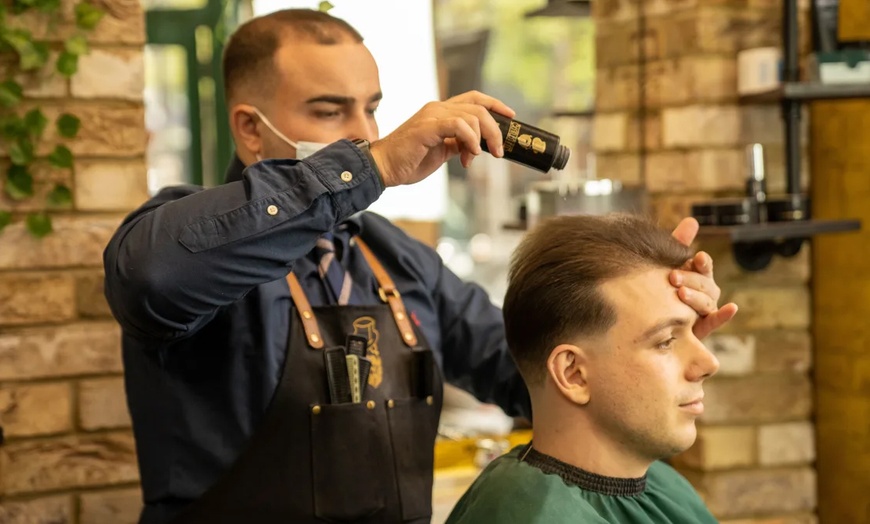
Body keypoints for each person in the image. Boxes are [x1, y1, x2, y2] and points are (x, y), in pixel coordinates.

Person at [102, 8, 737, 524]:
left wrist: (655, 326)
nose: (361, 129)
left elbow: (537, 373)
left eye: (371, 108)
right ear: (249, 128)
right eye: (330, 111)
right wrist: (371, 165)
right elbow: (152, 278)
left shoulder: (396, 259)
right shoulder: (192, 240)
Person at [446, 213, 727, 524]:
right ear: (573, 374)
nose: (708, 363)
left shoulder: (662, 485)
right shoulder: (529, 513)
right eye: (665, 342)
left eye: (693, 332)